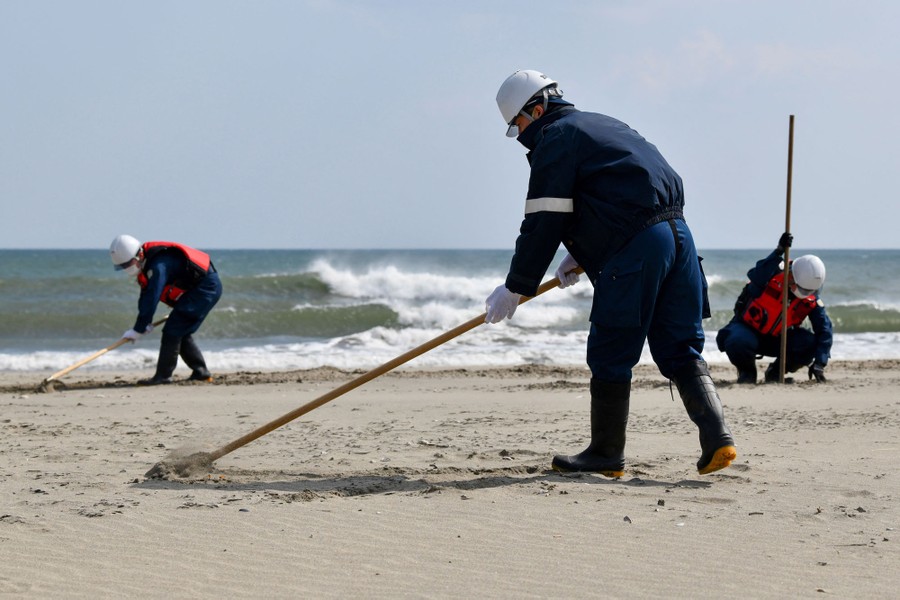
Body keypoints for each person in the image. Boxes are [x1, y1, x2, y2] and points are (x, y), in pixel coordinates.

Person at [484, 69, 736, 477]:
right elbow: (623, 195)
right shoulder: (606, 125)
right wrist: (580, 255)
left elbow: (544, 218)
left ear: (538, 108)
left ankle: (606, 453)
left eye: (518, 127)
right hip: (679, 238)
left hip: (638, 246)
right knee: (680, 348)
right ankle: (718, 438)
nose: (521, 137)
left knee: (610, 348)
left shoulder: (557, 137)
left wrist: (516, 286)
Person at [716, 232, 832, 384]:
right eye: (802, 289)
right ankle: (747, 373)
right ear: (792, 275)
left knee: (809, 343)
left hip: (779, 339)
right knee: (736, 341)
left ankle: (775, 373)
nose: (806, 293)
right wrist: (779, 250)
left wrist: (820, 363)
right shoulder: (771, 273)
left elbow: (824, 330)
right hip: (748, 331)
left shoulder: (811, 297)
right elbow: (756, 274)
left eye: (809, 291)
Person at [109, 235, 223, 385]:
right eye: (122, 266)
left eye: (128, 264)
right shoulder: (146, 265)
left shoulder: (158, 265)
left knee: (173, 330)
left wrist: (138, 329)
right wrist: (143, 325)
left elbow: (153, 296)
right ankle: (201, 372)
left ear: (140, 255)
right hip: (195, 289)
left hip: (206, 288)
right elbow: (145, 297)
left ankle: (163, 376)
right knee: (181, 330)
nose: (126, 268)